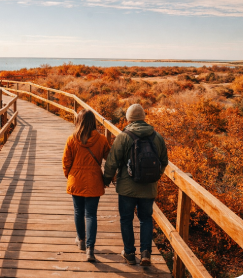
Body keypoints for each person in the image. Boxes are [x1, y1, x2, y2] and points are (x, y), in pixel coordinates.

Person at [103, 104, 168, 266]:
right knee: (145, 218)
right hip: (149, 188)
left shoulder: (123, 137)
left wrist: (106, 178)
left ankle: (130, 253)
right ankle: (146, 252)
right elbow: (164, 162)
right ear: (144, 117)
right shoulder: (157, 137)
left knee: (126, 219)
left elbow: (112, 161)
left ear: (128, 118)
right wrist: (154, 177)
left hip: (126, 188)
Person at [62, 110, 110, 262]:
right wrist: (108, 177)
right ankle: (90, 249)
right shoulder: (102, 139)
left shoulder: (72, 139)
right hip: (94, 181)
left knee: (78, 211)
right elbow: (110, 159)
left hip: (76, 180)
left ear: (79, 121)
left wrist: (70, 176)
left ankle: (81, 240)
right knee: (91, 215)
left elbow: (66, 162)